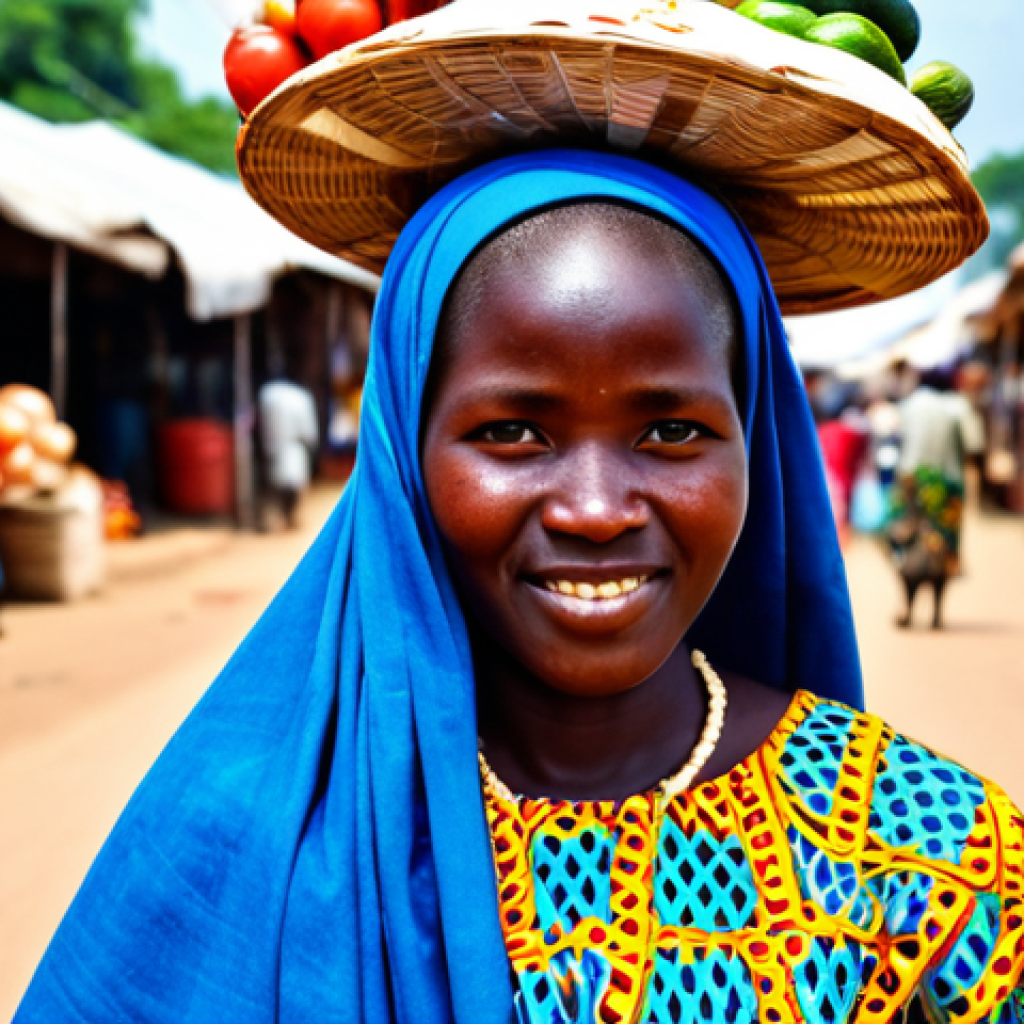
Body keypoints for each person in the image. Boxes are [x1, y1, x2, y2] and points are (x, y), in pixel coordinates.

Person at [15, 150, 1023, 1024]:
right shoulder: (245, 840)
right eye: (511, 431)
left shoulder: (917, 848)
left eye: (671, 430)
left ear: (753, 440)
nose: (594, 508)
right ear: (404, 454)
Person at [887, 368, 986, 629]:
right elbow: (975, 444)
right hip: (946, 485)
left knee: (905, 543)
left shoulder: (908, 405)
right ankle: (937, 615)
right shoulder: (957, 407)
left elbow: (892, 440)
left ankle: (907, 610)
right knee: (942, 548)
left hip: (910, 482)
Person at [257, 374, 319, 529]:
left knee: (275, 489)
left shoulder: (267, 393)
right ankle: (290, 519)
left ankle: (279, 520)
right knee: (295, 489)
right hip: (295, 449)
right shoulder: (302, 397)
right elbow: (309, 431)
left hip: (272, 447)